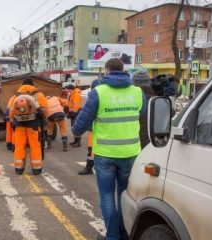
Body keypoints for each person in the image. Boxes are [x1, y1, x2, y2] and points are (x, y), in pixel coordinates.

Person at [72, 58, 146, 240]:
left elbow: (80, 125)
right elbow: (143, 115)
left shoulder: (98, 92)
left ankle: (112, 236)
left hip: (105, 154)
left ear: (107, 71)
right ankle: (124, 233)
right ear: (124, 70)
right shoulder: (137, 92)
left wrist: (76, 130)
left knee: (106, 196)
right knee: (124, 195)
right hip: (130, 153)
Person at [10, 78, 47, 175]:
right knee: (35, 146)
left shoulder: (16, 95)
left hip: (19, 126)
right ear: (33, 85)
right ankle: (36, 169)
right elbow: (45, 110)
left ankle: (19, 168)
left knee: (19, 147)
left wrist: (13, 122)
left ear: (22, 85)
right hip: (34, 126)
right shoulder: (38, 94)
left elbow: (11, 111)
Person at [78, 78, 103, 175]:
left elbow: (87, 114)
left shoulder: (93, 97)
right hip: (105, 128)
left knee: (91, 148)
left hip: (95, 128)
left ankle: (89, 167)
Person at [131, 70, 157, 149]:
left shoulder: (131, 98)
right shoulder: (157, 97)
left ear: (134, 83)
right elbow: (171, 113)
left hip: (134, 142)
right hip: (153, 143)